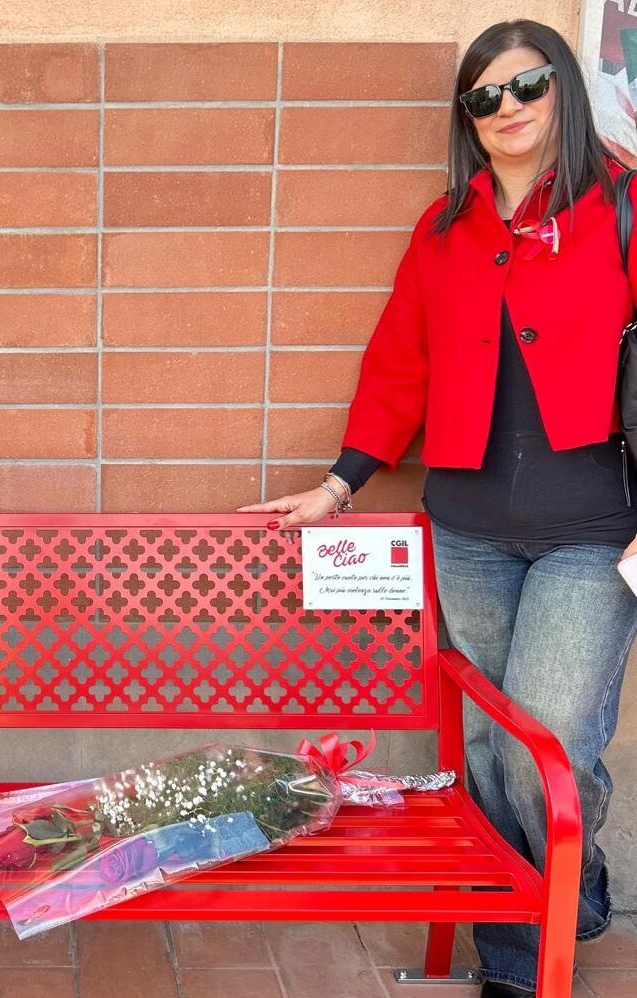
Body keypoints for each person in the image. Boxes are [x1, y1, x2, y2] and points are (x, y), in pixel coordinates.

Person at [241, 19, 637, 998]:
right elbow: (400, 365)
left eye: (528, 85)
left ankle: (566, 881)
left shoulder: (625, 203)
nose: (508, 109)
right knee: (494, 748)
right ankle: (516, 951)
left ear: (565, 89)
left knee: (548, 737)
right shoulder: (443, 227)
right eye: (485, 97)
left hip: (594, 526)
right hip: (467, 528)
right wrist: (341, 480)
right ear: (467, 117)